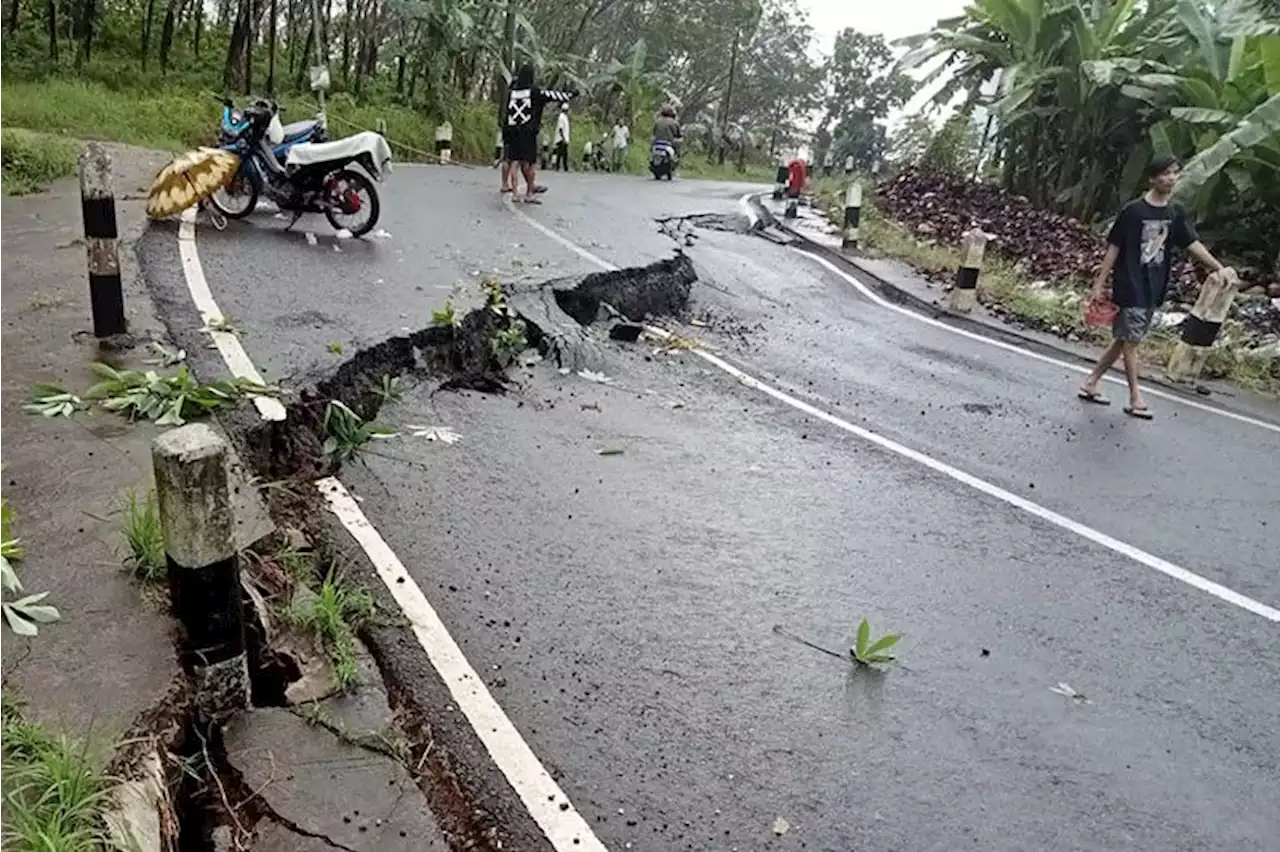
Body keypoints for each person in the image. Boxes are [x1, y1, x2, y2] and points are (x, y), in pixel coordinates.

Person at [1078, 155, 1229, 419]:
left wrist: (1218, 267)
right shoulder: (1133, 211)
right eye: (1165, 173)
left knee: (1125, 339)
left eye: (1174, 173)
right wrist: (1099, 283)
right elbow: (1114, 247)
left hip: (1155, 286)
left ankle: (1091, 381)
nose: (1171, 178)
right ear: (1152, 178)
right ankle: (1135, 397)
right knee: (1131, 342)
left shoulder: (1175, 213)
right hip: (1130, 284)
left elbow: (1191, 244)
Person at [504, 63, 573, 202]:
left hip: (513, 132)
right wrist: (570, 94)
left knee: (515, 163)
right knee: (529, 164)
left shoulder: (512, 94)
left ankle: (516, 194)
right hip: (528, 133)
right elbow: (552, 95)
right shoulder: (534, 92)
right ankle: (529, 193)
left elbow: (508, 113)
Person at [553, 103, 571, 171]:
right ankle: (562, 167)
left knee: (562, 153)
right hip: (561, 138)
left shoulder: (565, 117)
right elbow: (560, 129)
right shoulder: (561, 117)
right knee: (562, 154)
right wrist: (563, 138)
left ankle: (561, 167)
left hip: (564, 138)